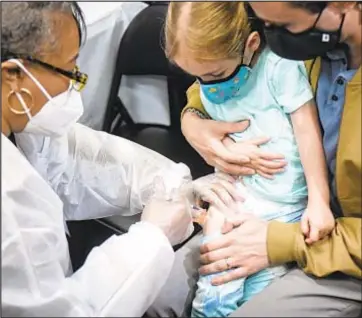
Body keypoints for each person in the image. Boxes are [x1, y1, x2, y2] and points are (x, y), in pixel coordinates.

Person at [147, 1, 361, 317]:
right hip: (269, 208)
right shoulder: (312, 44)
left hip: (343, 251)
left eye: (284, 27)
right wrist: (194, 122)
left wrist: (282, 242)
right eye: (264, 24)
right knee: (155, 297)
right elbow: (216, 76)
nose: (270, 40)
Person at [1, 2, 208, 316]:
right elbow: (66, 311)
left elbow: (75, 161)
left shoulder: (19, 124)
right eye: (69, 69)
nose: (75, 81)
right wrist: (152, 238)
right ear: (13, 75)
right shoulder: (9, 201)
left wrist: (171, 182)